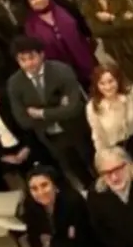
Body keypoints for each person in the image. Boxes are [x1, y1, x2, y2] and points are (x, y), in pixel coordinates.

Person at [22, 166, 130, 247]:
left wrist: (51, 242)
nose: (40, 192)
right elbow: (34, 238)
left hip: (91, 246)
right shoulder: (30, 206)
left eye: (44, 185)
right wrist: (56, 241)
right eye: (34, 188)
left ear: (55, 184)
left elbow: (79, 235)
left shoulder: (72, 201)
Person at [7, 36, 95, 185]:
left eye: (32, 57)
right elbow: (23, 120)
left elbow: (74, 108)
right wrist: (59, 109)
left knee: (94, 160)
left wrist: (40, 113)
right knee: (76, 170)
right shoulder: (14, 83)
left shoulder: (62, 70)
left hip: (78, 129)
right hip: (51, 137)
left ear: (41, 54)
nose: (28, 63)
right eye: (23, 60)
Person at [85, 65, 133, 174]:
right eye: (102, 83)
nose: (107, 87)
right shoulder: (93, 107)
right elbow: (98, 136)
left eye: (110, 81)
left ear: (118, 80)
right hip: (117, 150)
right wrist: (102, 158)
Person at [24, 0, 97, 87]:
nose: (38, 0)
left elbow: (83, 27)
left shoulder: (65, 6)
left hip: (85, 58)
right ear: (29, 4)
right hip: (60, 69)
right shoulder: (30, 25)